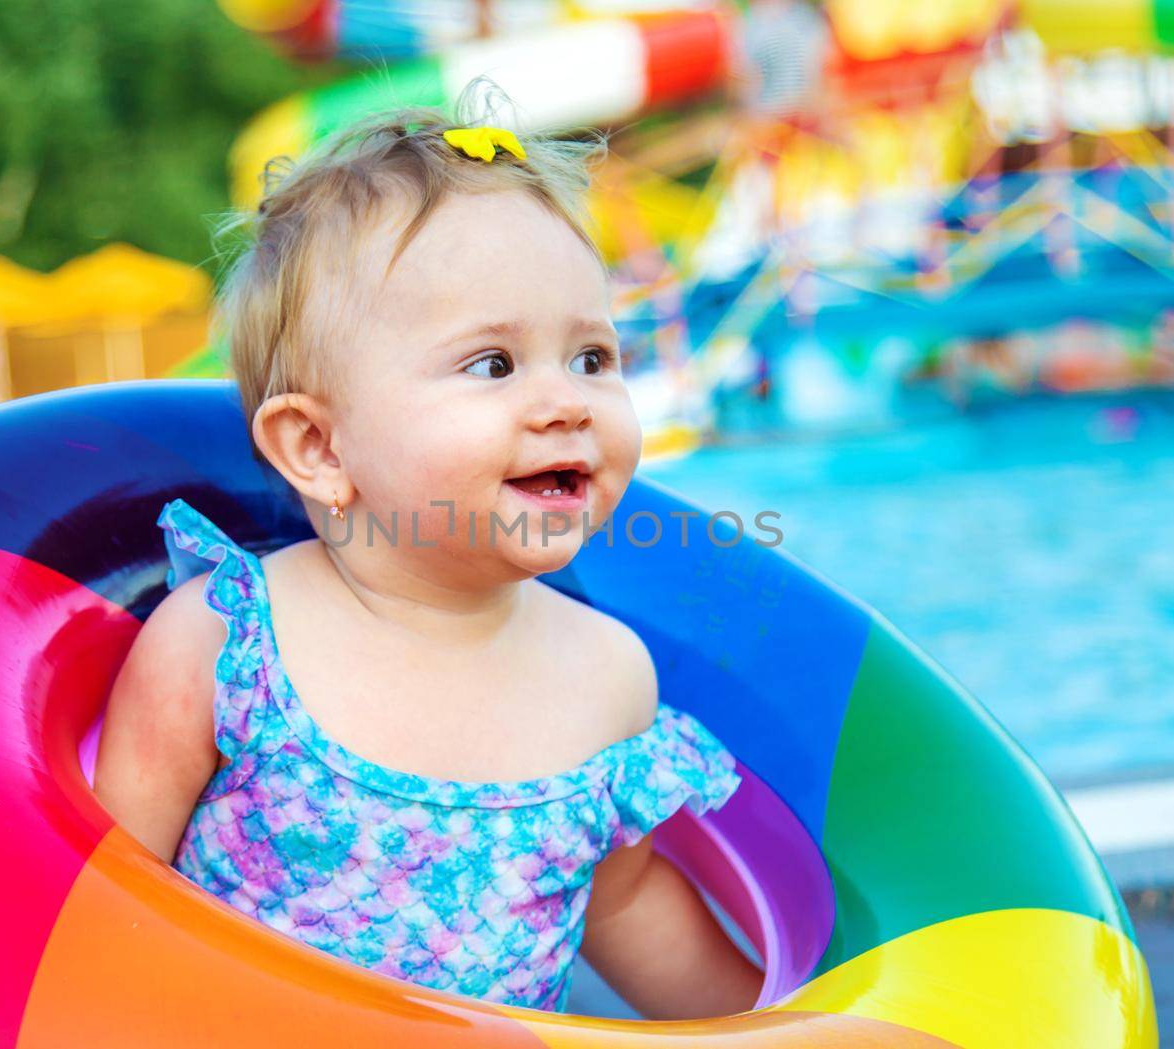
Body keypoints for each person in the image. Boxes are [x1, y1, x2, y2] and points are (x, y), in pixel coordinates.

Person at [93, 84, 762, 1020]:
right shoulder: (227, 646)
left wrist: (788, 1025)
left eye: (593, 358)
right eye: (493, 364)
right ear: (320, 449)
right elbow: (97, 905)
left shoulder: (610, 675)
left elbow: (625, 905)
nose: (567, 402)